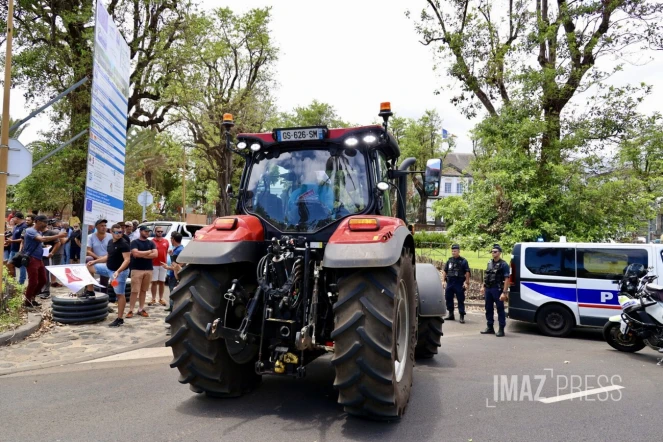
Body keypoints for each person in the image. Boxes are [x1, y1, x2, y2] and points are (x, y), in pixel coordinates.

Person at [86, 223, 131, 326]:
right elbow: (108, 256)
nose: (119, 234)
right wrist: (95, 261)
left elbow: (127, 260)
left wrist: (118, 271)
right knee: (88, 266)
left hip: (119, 272)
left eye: (120, 232)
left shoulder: (124, 244)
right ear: (111, 232)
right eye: (116, 232)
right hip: (108, 268)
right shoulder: (110, 242)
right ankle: (90, 290)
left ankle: (119, 318)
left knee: (120, 294)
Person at [22, 215, 67, 308]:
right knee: (33, 282)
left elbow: (40, 243)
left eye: (47, 222)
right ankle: (27, 301)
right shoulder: (30, 231)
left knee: (43, 280)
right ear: (37, 221)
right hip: (31, 259)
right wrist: (59, 235)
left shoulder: (38, 232)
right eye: (44, 222)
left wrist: (44, 247)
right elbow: (42, 239)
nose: (46, 224)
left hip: (39, 259)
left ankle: (32, 297)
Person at [480, 244, 510, 337]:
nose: (493, 253)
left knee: (500, 309)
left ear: (500, 253)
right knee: (488, 308)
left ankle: (501, 329)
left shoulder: (503, 264)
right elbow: (487, 276)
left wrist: (504, 292)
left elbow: (507, 279)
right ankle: (490, 327)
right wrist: (483, 286)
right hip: (489, 289)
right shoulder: (489, 263)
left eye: (495, 252)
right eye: (492, 251)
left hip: (497, 289)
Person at [127, 225, 157, 318]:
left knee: (143, 290)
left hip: (148, 269)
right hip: (136, 269)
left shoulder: (151, 243)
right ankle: (131, 310)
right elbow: (135, 253)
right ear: (141, 231)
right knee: (134, 291)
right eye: (145, 231)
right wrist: (149, 252)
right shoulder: (134, 242)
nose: (147, 233)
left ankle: (141, 309)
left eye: (148, 232)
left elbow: (155, 254)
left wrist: (141, 254)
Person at [442, 244, 471, 323]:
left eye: (455, 251)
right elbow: (445, 270)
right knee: (448, 298)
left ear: (458, 251)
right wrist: (443, 281)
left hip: (459, 282)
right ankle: (451, 314)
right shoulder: (449, 260)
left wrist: (467, 282)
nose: (453, 252)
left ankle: (461, 315)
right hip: (450, 282)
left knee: (460, 299)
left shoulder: (463, 261)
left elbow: (467, 272)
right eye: (452, 251)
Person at [163, 232, 184, 312]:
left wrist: (167, 267)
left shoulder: (180, 250)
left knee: (174, 291)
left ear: (173, 239)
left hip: (175, 275)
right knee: (171, 291)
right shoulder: (176, 249)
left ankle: (174, 308)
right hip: (172, 274)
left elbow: (178, 266)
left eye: (171, 238)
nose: (170, 240)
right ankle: (171, 306)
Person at [149, 226, 170, 306]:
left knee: (162, 282)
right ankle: (153, 298)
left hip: (163, 264)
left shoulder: (166, 241)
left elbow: (166, 250)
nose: (160, 233)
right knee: (154, 282)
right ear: (155, 232)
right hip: (154, 264)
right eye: (158, 231)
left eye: (161, 231)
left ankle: (161, 298)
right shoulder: (151, 242)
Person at [7, 213, 28, 284]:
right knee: (10, 264)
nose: (12, 219)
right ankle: (12, 281)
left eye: (14, 218)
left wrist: (12, 241)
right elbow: (13, 236)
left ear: (18, 218)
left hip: (20, 250)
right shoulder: (16, 226)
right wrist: (8, 241)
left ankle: (21, 282)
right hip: (13, 249)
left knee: (21, 266)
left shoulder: (24, 227)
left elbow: (22, 239)